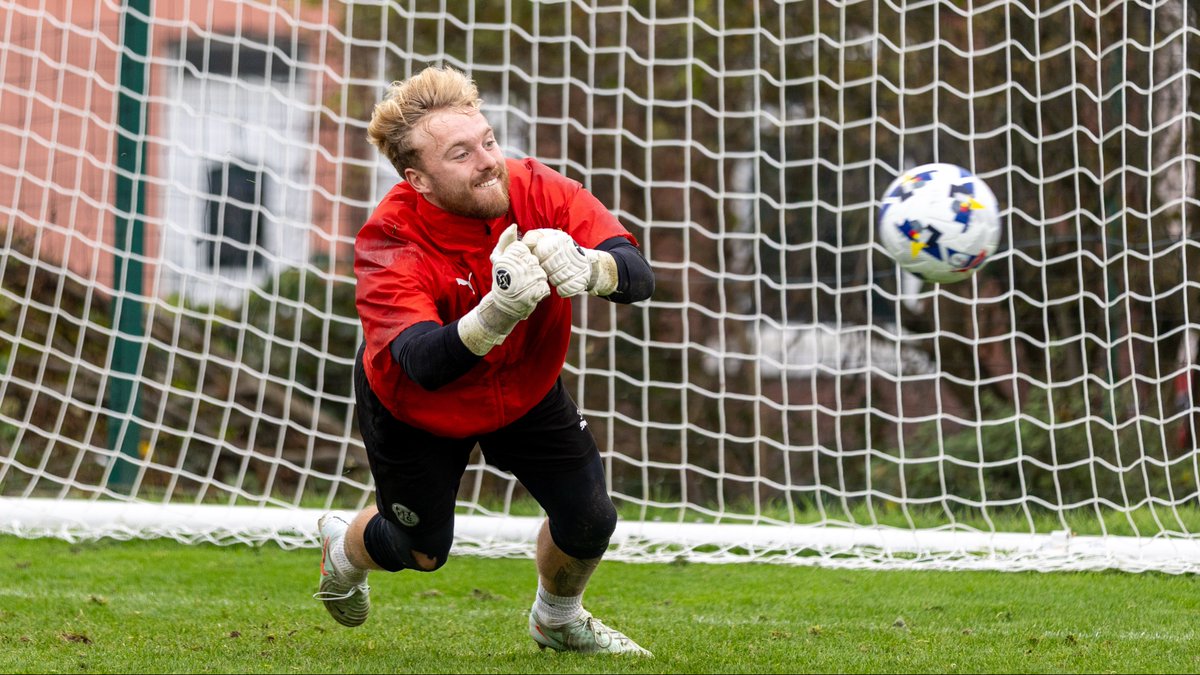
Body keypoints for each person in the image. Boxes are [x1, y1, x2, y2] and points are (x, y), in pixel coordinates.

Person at [313, 65, 655, 656]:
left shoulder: (535, 187)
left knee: (590, 519)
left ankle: (558, 618)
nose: (488, 161)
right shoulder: (388, 238)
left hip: (523, 388)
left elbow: (637, 274)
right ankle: (345, 547)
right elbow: (422, 362)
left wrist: (591, 268)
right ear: (417, 179)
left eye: (489, 141)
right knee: (422, 551)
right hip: (419, 408)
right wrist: (496, 312)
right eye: (461, 154)